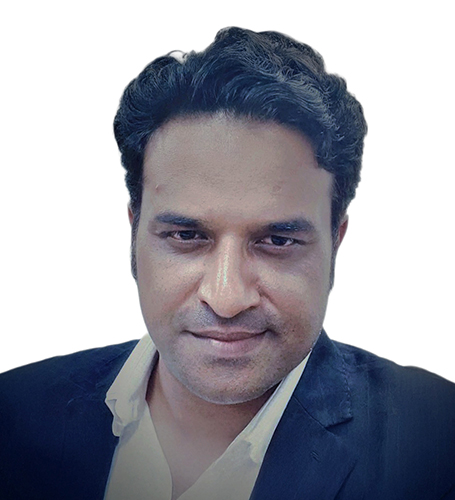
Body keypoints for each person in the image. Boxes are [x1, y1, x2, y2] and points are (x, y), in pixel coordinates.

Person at [0, 26, 454, 500]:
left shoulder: (438, 443)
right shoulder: (13, 414)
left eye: (277, 240)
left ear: (335, 243)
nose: (227, 298)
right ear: (134, 233)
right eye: (187, 236)